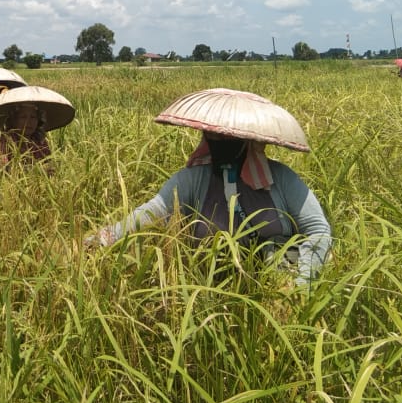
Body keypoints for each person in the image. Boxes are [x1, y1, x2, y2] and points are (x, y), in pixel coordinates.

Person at [86, 88, 331, 286]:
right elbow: (152, 212)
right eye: (213, 137)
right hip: (211, 282)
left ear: (248, 141)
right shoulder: (194, 179)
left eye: (229, 138)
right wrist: (105, 238)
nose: (220, 143)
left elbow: (317, 228)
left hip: (278, 276)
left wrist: (301, 283)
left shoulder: (281, 178)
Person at [0, 85, 75, 172]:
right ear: (13, 119)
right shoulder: (2, 140)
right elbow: (2, 169)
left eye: (33, 117)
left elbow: (49, 164)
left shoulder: (39, 140)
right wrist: (36, 170)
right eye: (23, 117)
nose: (28, 122)